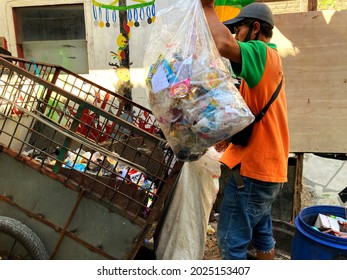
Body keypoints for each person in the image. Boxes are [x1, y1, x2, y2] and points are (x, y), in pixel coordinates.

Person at [200, 1, 290, 260]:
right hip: (269, 171)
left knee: (231, 243)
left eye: (238, 30)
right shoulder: (269, 62)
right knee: (263, 237)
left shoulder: (261, 51)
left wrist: (207, 8)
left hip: (254, 172)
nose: (235, 37)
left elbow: (223, 46)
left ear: (255, 28)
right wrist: (229, 140)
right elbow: (253, 113)